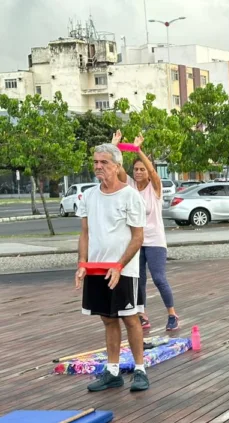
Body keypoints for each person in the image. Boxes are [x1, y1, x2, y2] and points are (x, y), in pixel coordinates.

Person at [75, 143, 149, 392]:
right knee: (107, 319)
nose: (98, 166)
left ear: (117, 166)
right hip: (97, 268)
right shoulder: (89, 195)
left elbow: (138, 237)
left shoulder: (130, 196)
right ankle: (113, 371)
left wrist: (119, 265)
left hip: (124, 270)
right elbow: (84, 234)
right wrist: (82, 264)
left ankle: (140, 370)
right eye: (95, 162)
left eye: (104, 162)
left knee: (130, 318)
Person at [112, 131, 180, 332]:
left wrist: (137, 149)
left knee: (159, 278)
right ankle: (142, 314)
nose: (139, 172)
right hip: (136, 240)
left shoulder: (155, 188)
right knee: (138, 278)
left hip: (155, 240)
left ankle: (172, 314)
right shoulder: (130, 187)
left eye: (142, 169)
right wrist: (114, 145)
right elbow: (116, 168)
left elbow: (153, 171)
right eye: (136, 169)